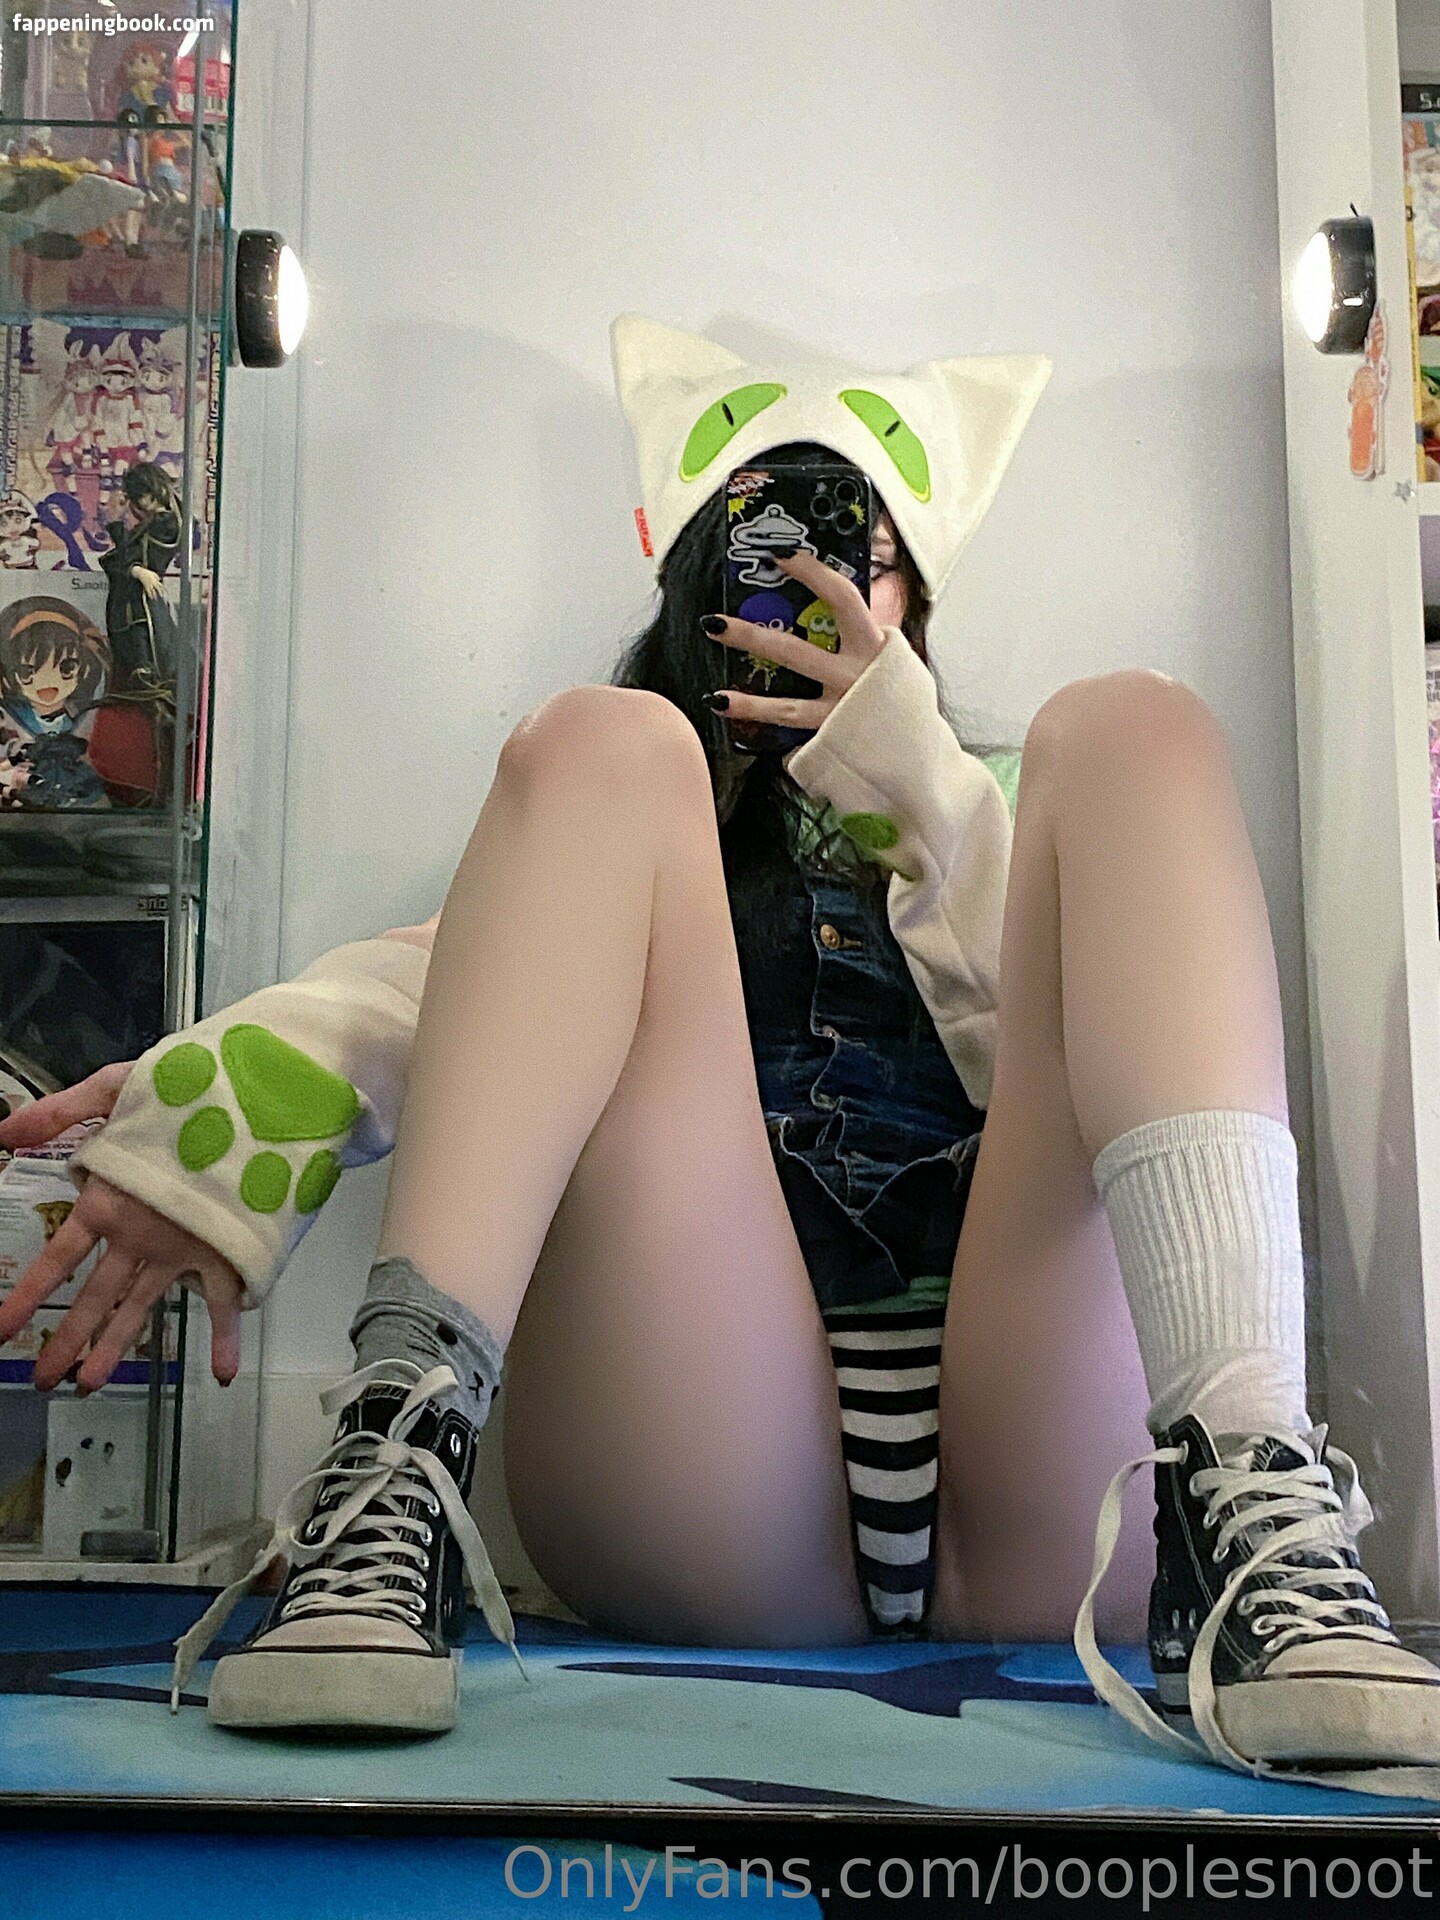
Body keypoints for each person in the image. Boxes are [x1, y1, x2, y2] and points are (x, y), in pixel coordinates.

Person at [0, 315, 1437, 1794]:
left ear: (914, 593)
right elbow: (438, 997)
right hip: (708, 1464)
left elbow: (1061, 1035)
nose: (814, 592)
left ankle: (1254, 1505)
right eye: (765, 551)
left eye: (856, 554)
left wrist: (916, 781)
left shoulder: (1014, 809)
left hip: (1064, 1476)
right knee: (603, 745)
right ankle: (393, 1467)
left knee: (1137, 730)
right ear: (698, 580)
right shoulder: (635, 820)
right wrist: (213, 1104)